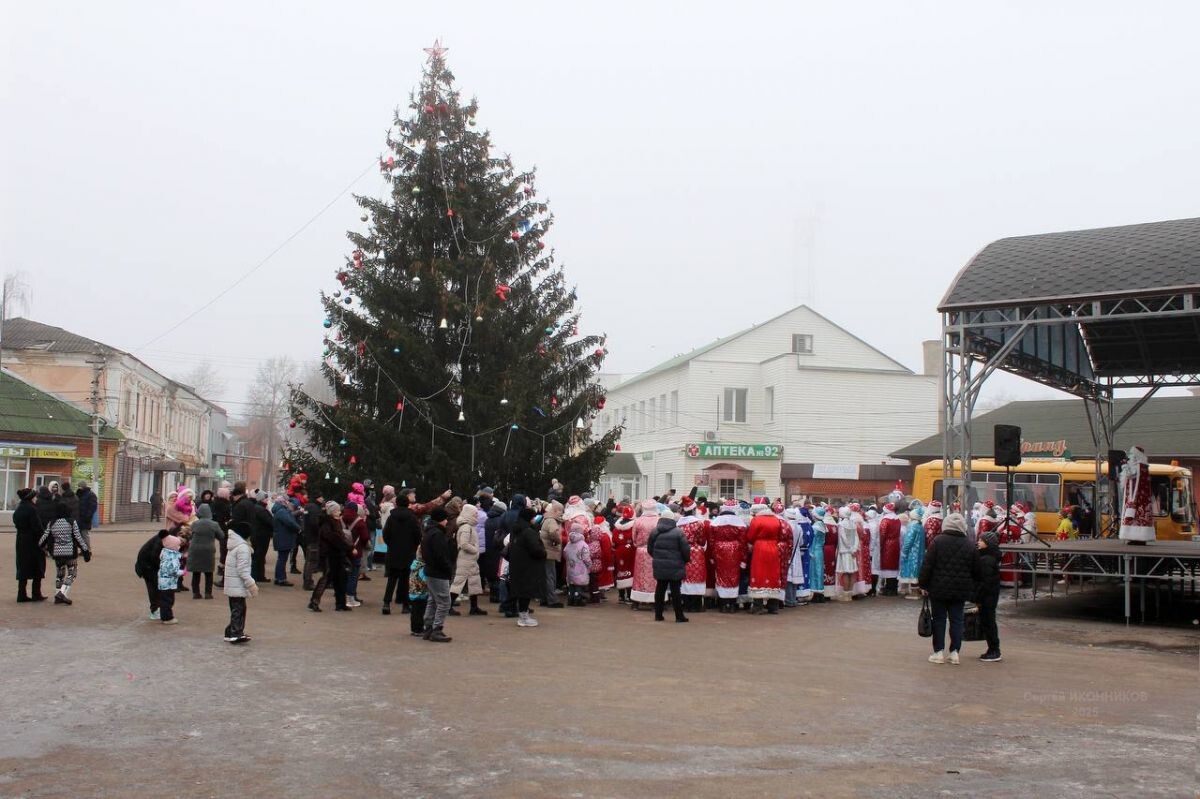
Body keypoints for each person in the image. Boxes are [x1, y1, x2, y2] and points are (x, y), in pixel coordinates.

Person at [918, 512, 980, 665]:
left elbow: (927, 565)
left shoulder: (938, 541)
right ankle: (954, 653)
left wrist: (923, 584)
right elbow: (976, 570)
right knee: (957, 620)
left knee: (939, 619)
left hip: (938, 588)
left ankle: (938, 652)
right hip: (960, 590)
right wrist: (972, 589)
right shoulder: (970, 544)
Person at [39, 502, 91, 605]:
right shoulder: (71, 522)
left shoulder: (52, 523)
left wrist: (42, 547)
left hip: (57, 553)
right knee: (72, 574)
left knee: (60, 575)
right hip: (70, 552)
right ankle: (62, 593)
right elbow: (78, 537)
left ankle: (58, 594)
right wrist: (86, 551)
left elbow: (44, 538)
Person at [505, 505, 547, 627]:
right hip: (529, 565)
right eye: (533, 517)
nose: (534, 520)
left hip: (517, 565)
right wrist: (543, 552)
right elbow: (536, 549)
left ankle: (523, 615)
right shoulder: (529, 531)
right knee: (526, 591)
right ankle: (523, 616)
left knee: (521, 590)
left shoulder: (516, 530)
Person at [381, 493, 421, 615]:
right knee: (405, 580)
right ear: (408, 503)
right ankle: (405, 605)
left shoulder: (391, 517)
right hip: (408, 553)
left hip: (393, 552)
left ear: (396, 503)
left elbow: (385, 534)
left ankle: (386, 604)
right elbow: (417, 535)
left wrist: (391, 545)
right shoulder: (413, 518)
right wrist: (413, 547)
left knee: (392, 579)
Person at [648, 511, 691, 623]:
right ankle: (679, 616)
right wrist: (685, 560)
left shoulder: (654, 532)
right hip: (675, 566)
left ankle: (658, 615)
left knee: (660, 589)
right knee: (676, 591)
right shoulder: (678, 532)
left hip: (659, 565)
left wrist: (657, 557)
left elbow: (650, 549)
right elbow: (685, 550)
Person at [420, 507, 455, 641]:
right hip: (438, 572)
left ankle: (428, 627)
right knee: (444, 602)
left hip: (430, 570)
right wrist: (448, 569)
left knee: (433, 600)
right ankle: (437, 629)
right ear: (441, 520)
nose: (447, 521)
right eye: (445, 519)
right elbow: (441, 556)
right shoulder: (438, 534)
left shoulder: (428, 532)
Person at [310, 501, 351, 612]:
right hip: (329, 555)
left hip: (337, 554)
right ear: (332, 512)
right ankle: (314, 601)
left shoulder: (336, 522)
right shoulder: (327, 523)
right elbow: (334, 538)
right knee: (326, 578)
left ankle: (341, 603)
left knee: (340, 579)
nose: (339, 512)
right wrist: (348, 547)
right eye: (337, 510)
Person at [747, 499, 785, 613]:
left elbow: (750, 536)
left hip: (760, 548)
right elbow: (780, 535)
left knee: (759, 574)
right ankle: (773, 606)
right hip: (773, 547)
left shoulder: (756, 520)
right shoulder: (776, 520)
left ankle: (757, 606)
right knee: (773, 574)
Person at [709, 500, 748, 613]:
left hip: (719, 550)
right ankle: (732, 604)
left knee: (720, 575)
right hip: (735, 551)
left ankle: (722, 604)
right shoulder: (740, 523)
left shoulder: (715, 522)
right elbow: (743, 543)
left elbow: (711, 541)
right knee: (734, 576)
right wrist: (743, 559)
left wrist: (712, 556)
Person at [450, 501, 487, 616]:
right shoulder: (466, 527)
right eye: (475, 513)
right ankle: (448, 606)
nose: (476, 515)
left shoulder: (468, 526)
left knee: (474, 582)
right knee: (459, 583)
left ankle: (474, 607)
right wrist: (475, 550)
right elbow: (464, 544)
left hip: (470, 559)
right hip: (466, 559)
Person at [223, 520, 258, 643]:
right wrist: (251, 584)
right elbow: (243, 569)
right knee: (239, 609)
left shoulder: (235, 545)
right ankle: (235, 632)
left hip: (233, 584)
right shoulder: (243, 548)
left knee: (237, 608)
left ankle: (231, 631)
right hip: (237, 584)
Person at [675, 496, 709, 613]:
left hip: (682, 552)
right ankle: (697, 604)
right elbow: (701, 539)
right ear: (694, 510)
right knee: (697, 576)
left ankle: (685, 603)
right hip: (696, 552)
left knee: (684, 577)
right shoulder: (698, 523)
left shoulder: (679, 524)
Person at [14, 488, 47, 602]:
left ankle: (21, 594)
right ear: (30, 497)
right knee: (37, 566)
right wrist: (44, 539)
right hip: (33, 542)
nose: (36, 498)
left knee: (23, 567)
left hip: (21, 540)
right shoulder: (32, 509)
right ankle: (36, 593)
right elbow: (37, 527)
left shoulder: (19, 508)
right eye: (35, 496)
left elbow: (16, 522)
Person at [975, 525, 1003, 662]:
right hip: (990, 597)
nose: (978, 542)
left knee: (989, 623)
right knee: (988, 622)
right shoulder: (989, 558)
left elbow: (984, 582)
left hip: (987, 598)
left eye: (981, 540)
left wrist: (977, 598)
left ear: (987, 544)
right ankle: (992, 649)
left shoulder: (986, 561)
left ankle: (994, 650)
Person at [1119, 445, 1155, 544]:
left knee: (1135, 517)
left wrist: (1125, 466)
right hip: (1142, 499)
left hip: (1136, 498)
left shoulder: (1138, 466)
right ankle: (1138, 538)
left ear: (1136, 455)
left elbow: (1131, 476)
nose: (1130, 457)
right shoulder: (1144, 467)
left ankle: (1135, 538)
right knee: (1140, 517)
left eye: (1132, 454)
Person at [188, 504, 225, 599]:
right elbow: (221, 536)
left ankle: (196, 593)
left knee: (196, 573)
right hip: (208, 550)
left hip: (195, 550)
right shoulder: (214, 524)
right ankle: (208, 593)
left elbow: (189, 535)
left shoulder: (195, 524)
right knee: (208, 573)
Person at [629, 500, 660, 610]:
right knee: (654, 576)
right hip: (655, 551)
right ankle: (653, 601)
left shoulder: (638, 521)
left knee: (639, 575)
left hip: (641, 551)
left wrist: (638, 544)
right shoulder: (659, 520)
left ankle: (636, 601)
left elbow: (634, 537)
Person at [135, 529, 169, 619]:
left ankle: (156, 609)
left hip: (147, 565)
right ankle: (155, 610)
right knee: (154, 587)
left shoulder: (162, 539)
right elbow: (155, 556)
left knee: (155, 587)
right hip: (147, 567)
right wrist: (162, 567)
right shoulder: (160, 542)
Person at [538, 500, 565, 607]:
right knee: (550, 577)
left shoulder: (547, 519)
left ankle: (544, 598)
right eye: (560, 511)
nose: (561, 513)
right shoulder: (552, 521)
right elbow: (553, 532)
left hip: (546, 551)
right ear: (555, 510)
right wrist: (558, 541)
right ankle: (552, 600)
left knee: (546, 576)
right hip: (549, 552)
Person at [343, 501, 369, 607]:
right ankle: (351, 598)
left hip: (343, 551)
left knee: (345, 574)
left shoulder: (340, 519)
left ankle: (343, 597)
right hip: (355, 551)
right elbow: (365, 537)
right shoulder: (359, 522)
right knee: (353, 575)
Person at [271, 494, 300, 587]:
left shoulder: (279, 510)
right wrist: (299, 529)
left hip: (281, 537)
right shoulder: (282, 511)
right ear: (283, 502)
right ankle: (281, 579)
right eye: (287, 501)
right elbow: (290, 522)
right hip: (284, 538)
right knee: (282, 559)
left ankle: (278, 577)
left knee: (281, 558)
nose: (288, 503)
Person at [899, 507, 926, 599]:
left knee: (912, 571)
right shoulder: (920, 526)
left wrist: (904, 551)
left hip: (912, 553)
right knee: (917, 570)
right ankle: (917, 590)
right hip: (920, 552)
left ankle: (914, 592)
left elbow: (908, 541)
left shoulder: (912, 526)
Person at [612, 505, 636, 604]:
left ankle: (621, 596)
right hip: (630, 550)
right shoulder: (633, 526)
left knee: (620, 571)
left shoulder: (616, 527)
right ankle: (629, 596)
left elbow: (613, 541)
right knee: (630, 571)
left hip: (618, 550)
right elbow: (635, 539)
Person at [877, 502, 903, 596]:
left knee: (887, 565)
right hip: (896, 543)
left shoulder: (885, 520)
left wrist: (880, 545)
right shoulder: (897, 519)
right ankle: (894, 588)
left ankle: (888, 589)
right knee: (894, 565)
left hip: (888, 544)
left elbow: (882, 534)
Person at [249, 490, 274, 583]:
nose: (267, 500)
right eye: (265, 498)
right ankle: (255, 576)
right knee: (258, 556)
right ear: (261, 499)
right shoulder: (260, 509)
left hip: (259, 535)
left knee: (259, 556)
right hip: (261, 536)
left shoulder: (258, 508)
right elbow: (269, 521)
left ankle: (259, 575)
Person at [301, 494, 324, 591]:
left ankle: (307, 580)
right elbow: (315, 523)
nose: (322, 499)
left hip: (308, 537)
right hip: (313, 538)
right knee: (311, 561)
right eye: (321, 497)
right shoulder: (315, 508)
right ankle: (308, 582)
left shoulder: (308, 506)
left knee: (308, 560)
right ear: (317, 498)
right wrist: (320, 532)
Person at [158, 534, 183, 625]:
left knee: (165, 599)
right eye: (177, 545)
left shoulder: (165, 553)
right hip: (168, 582)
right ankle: (167, 618)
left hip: (163, 581)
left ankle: (165, 616)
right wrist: (182, 572)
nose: (179, 547)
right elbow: (173, 570)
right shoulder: (172, 557)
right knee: (168, 600)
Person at [564, 526, 591, 606]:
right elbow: (586, 557)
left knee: (572, 584)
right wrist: (589, 565)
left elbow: (565, 553)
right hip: (581, 568)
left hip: (570, 567)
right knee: (579, 584)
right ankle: (578, 600)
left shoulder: (569, 543)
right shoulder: (583, 544)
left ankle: (570, 599)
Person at [807, 507, 829, 603]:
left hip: (814, 551)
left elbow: (813, 541)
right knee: (819, 571)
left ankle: (816, 594)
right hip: (820, 550)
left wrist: (810, 552)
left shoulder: (815, 526)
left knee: (814, 571)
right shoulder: (822, 525)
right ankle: (820, 593)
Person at [407, 547, 429, 637]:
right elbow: (424, 580)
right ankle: (418, 629)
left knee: (415, 611)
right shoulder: (422, 567)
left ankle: (414, 628)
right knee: (419, 611)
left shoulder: (415, 565)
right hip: (420, 592)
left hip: (413, 592)